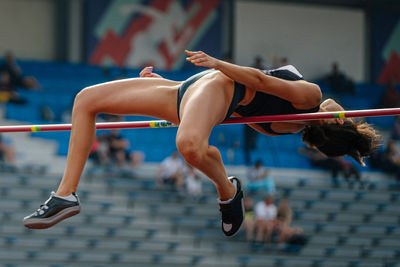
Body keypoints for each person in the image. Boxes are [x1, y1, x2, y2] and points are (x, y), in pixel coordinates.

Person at [23, 49, 380, 237]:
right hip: (192, 89)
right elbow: (228, 104)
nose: (343, 110)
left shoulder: (308, 99)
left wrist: (217, 63)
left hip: (213, 86)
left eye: (344, 118)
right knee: (86, 99)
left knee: (190, 145)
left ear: (330, 124)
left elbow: (254, 80)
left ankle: (228, 192)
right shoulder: (290, 119)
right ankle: (65, 196)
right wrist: (166, 85)